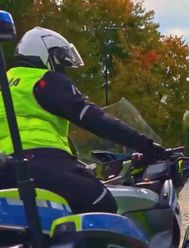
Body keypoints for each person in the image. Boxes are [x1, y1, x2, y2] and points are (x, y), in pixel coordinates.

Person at [0, 27, 166, 214]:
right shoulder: (47, 80)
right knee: (104, 203)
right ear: (46, 54)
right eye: (60, 62)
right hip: (43, 164)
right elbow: (96, 119)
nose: (63, 70)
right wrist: (145, 145)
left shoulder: (4, 83)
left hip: (5, 169)